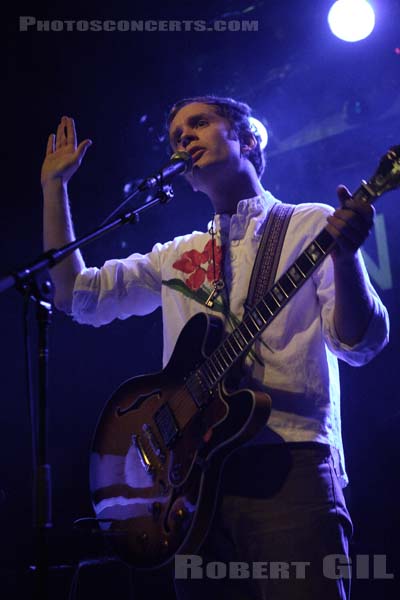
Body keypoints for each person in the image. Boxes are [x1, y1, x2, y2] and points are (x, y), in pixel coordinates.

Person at [41, 96, 389, 599]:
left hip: (288, 464)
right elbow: (77, 297)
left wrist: (347, 259)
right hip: (192, 483)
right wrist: (55, 188)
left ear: (247, 140)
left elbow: (360, 342)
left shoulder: (310, 224)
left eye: (199, 124)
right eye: (176, 134)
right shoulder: (177, 255)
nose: (183, 138)